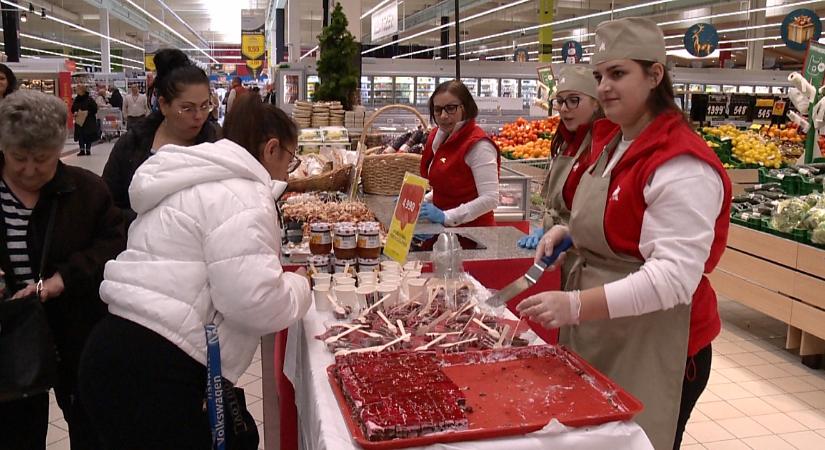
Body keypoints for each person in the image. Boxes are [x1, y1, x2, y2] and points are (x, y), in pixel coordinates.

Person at [518, 18, 732, 450]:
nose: (604, 88)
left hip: (658, 342)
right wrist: (572, 233)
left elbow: (673, 279)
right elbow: (619, 221)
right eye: (599, 76)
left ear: (655, 75)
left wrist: (576, 306)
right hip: (606, 333)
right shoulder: (616, 141)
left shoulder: (681, 164)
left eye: (618, 74)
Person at [79, 93, 310, 448]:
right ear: (272, 150)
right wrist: (299, 286)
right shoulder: (244, 194)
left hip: (113, 348)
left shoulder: (194, 178)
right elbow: (252, 302)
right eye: (291, 161)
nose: (288, 173)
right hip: (160, 370)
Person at [0, 90, 126, 450]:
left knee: (91, 428)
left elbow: (113, 244)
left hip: (77, 330)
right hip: (10, 338)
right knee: (16, 434)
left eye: (42, 159)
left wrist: (63, 278)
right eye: (17, 158)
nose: (28, 170)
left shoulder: (85, 190)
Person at [102, 49, 221, 225]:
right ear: (164, 105)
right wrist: (153, 222)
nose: (199, 116)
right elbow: (108, 206)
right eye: (187, 108)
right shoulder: (132, 145)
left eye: (205, 106)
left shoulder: (217, 144)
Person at [518, 65, 602, 248]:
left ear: (596, 102)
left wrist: (566, 232)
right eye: (560, 101)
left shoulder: (602, 148)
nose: (564, 109)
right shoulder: (565, 143)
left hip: (581, 252)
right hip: (554, 251)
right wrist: (544, 229)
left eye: (573, 100)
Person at [419, 80, 500, 227]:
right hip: (446, 233)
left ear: (465, 108)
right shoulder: (441, 136)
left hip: (475, 236)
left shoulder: (479, 145)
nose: (443, 116)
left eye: (451, 108)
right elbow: (450, 189)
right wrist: (422, 200)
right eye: (437, 109)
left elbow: (490, 198)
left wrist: (446, 216)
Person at [71, 85, 99, 156]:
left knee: (88, 134)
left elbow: (95, 109)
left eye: (77, 89)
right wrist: (75, 112)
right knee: (80, 135)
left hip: (88, 120)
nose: (76, 91)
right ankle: (82, 149)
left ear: (82, 90)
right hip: (79, 120)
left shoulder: (89, 99)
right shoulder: (76, 100)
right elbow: (73, 108)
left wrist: (87, 112)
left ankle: (88, 149)